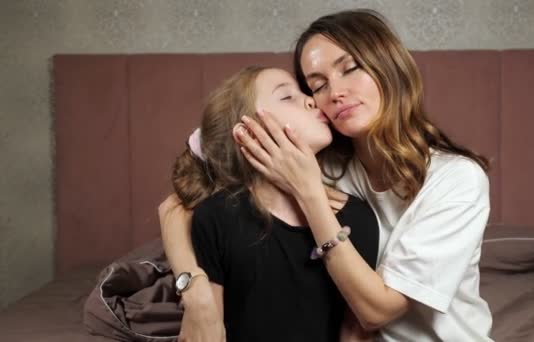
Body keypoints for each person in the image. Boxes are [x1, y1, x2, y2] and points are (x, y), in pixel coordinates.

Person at [160, 9, 493, 342]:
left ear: (389, 67)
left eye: (349, 69)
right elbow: (177, 206)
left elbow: (376, 312)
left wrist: (309, 192)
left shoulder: (457, 179)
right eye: (316, 86)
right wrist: (195, 292)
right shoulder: (322, 159)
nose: (334, 93)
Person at [164, 65, 378, 342]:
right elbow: (210, 332)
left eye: (303, 92)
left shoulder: (357, 216)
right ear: (247, 132)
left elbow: (354, 331)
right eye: (286, 97)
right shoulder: (218, 216)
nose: (311, 99)